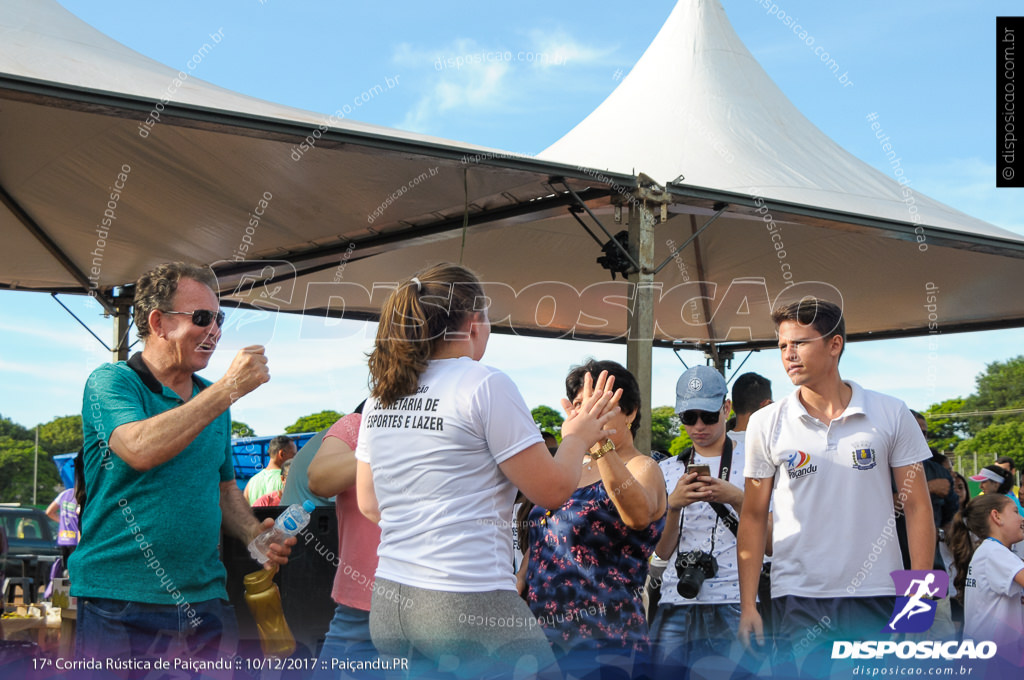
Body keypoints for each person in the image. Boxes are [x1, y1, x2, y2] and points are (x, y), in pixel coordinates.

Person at [354, 263, 621, 679]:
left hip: (390, 602)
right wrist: (578, 435)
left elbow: (370, 504)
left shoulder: (380, 398)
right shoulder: (483, 384)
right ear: (475, 323)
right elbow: (550, 491)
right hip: (464, 603)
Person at [70, 262, 294, 667]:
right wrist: (228, 389)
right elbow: (139, 448)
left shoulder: (213, 402)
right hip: (120, 601)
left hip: (204, 601)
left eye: (219, 318)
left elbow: (225, 489)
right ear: (158, 322)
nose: (215, 331)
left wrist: (254, 536)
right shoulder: (111, 382)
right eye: (203, 318)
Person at [737, 298, 934, 675]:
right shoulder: (765, 422)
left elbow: (918, 507)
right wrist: (748, 604)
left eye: (799, 343)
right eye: (782, 346)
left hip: (877, 592)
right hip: (797, 596)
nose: (788, 355)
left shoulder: (891, 412)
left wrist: (919, 603)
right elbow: (753, 514)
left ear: (834, 345)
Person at [522, 359, 666, 672]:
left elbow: (639, 515)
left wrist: (600, 443)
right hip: (542, 637)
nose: (587, 413)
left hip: (607, 639)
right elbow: (541, 538)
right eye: (579, 405)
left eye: (599, 403)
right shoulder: (567, 467)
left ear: (630, 412)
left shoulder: (643, 468)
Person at [650, 366, 767, 678]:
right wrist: (672, 507)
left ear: (726, 408)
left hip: (735, 599)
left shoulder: (756, 460)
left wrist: (737, 497)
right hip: (677, 597)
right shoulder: (666, 469)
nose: (698, 425)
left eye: (708, 415)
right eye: (689, 417)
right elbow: (660, 554)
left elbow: (770, 543)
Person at [307, 402, 384, 679]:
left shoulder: (452, 418)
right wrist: (390, 440)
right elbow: (319, 479)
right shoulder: (356, 425)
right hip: (359, 615)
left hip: (434, 607)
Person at [946, 493, 1024, 667]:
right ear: (996, 517)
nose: (1021, 517)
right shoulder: (996, 553)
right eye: (1015, 512)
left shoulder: (989, 551)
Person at [244, 435, 297, 505]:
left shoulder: (251, 481)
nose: (296, 458)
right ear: (282, 454)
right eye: (294, 454)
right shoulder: (288, 479)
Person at [46, 486, 80, 571]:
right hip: (76, 539)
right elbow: (79, 512)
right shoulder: (82, 495)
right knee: (75, 569)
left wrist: (62, 522)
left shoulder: (65, 494)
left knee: (65, 569)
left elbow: (49, 512)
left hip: (63, 538)